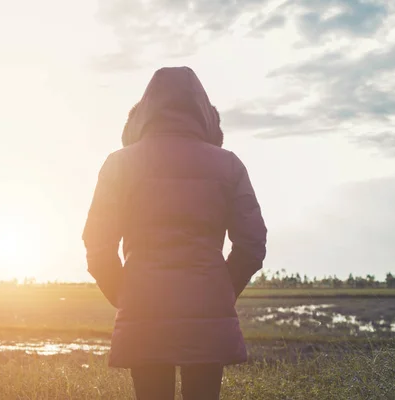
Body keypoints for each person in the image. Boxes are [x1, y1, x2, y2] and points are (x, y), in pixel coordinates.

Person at [82, 66, 267, 400]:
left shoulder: (120, 164)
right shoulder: (228, 165)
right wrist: (220, 289)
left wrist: (125, 295)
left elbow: (97, 244)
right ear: (204, 113)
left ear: (144, 112)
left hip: (144, 309)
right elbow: (252, 244)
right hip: (207, 312)